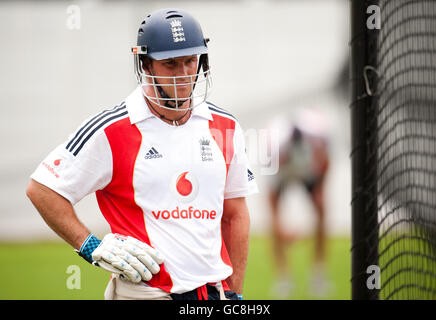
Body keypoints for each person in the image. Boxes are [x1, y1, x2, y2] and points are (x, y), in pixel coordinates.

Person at [26, 8, 258, 300]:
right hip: (145, 294)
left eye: (190, 61)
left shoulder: (226, 126)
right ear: (146, 65)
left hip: (212, 295)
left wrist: (234, 292)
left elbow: (235, 214)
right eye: (171, 64)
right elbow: (42, 189)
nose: (184, 74)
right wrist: (89, 245)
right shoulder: (111, 129)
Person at [266, 108, 330, 298]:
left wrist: (319, 190)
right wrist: (282, 229)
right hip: (281, 170)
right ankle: (283, 279)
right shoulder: (272, 149)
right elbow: (272, 205)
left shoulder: (320, 137)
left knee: (321, 210)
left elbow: (326, 163)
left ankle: (318, 275)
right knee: (274, 225)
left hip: (310, 167)